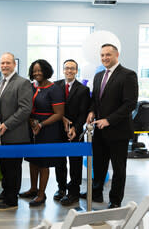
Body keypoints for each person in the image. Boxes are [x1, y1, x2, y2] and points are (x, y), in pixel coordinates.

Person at [80, 43, 138, 209]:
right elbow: (95, 100)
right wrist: (91, 112)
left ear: (117, 55)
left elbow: (129, 104)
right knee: (99, 165)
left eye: (108, 55)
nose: (105, 58)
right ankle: (96, 193)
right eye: (102, 55)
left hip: (118, 131)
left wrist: (109, 120)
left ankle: (115, 200)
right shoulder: (98, 76)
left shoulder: (128, 75)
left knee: (119, 169)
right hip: (99, 131)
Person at [0, 52, 33, 211]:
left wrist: (7, 124)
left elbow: (25, 109)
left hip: (15, 134)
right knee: (4, 167)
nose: (5, 66)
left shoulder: (23, 83)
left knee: (13, 169)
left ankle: (11, 200)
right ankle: (6, 192)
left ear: (14, 64)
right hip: (0, 134)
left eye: (8, 63)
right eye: (2, 63)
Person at [20, 59, 65, 207]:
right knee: (33, 160)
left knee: (43, 163)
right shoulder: (31, 87)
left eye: (40, 70)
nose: (37, 73)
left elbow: (59, 113)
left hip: (48, 128)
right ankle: (33, 189)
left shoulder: (55, 89)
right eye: (34, 70)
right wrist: (31, 121)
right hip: (32, 126)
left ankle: (41, 194)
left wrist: (41, 124)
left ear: (46, 71)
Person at [53, 59, 90, 206]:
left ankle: (73, 192)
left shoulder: (83, 90)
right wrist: (62, 119)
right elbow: (52, 107)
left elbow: (83, 112)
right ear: (63, 70)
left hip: (75, 131)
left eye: (72, 68)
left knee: (75, 162)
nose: (69, 71)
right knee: (59, 161)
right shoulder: (56, 86)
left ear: (76, 71)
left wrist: (75, 127)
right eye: (67, 68)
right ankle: (61, 188)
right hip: (58, 130)